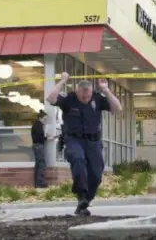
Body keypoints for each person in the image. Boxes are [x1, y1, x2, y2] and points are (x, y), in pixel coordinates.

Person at [46, 72, 122, 216]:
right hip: (74, 140)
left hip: (93, 141)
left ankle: (85, 202)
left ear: (91, 92)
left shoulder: (97, 99)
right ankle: (81, 195)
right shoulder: (68, 99)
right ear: (77, 91)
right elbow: (50, 98)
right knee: (78, 159)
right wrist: (62, 81)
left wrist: (106, 90)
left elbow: (118, 108)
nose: (85, 99)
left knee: (96, 173)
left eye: (88, 96)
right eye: (82, 96)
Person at [31, 110, 48, 188]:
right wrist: (46, 138)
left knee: (38, 164)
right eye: (44, 119)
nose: (45, 121)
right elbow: (39, 137)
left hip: (36, 145)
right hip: (38, 145)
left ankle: (37, 183)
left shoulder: (36, 124)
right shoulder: (39, 125)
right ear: (40, 118)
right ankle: (40, 182)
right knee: (41, 163)